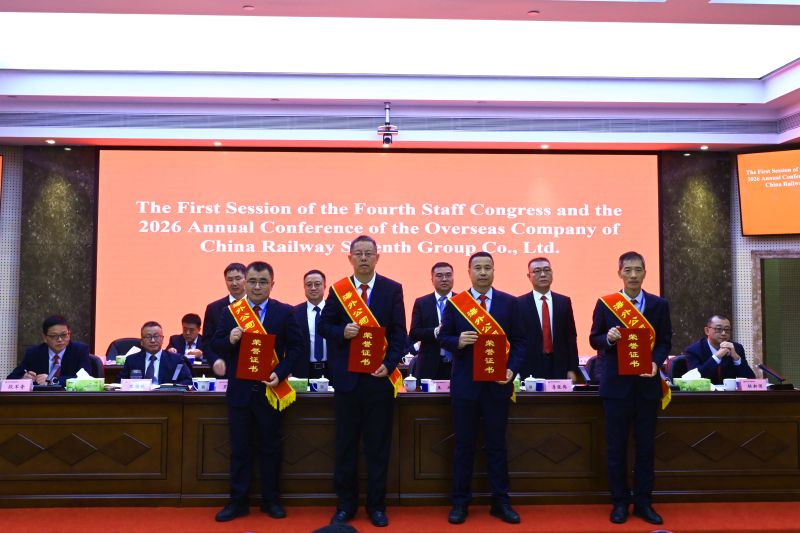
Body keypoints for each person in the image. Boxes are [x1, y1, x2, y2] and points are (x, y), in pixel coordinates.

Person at [319, 235, 406, 528]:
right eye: (359, 253)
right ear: (350, 258)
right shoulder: (339, 290)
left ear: (377, 257)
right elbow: (324, 326)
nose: (364, 258)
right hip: (347, 383)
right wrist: (341, 331)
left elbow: (399, 334)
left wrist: (389, 364)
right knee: (345, 446)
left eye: (369, 253)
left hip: (378, 381)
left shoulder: (392, 289)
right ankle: (346, 506)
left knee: (377, 447)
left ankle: (376, 506)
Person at [439, 251, 526, 525]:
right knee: (464, 445)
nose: (483, 272)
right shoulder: (456, 304)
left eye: (488, 267)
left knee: (497, 445)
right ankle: (460, 502)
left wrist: (511, 370)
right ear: (469, 272)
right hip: (466, 387)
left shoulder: (509, 303)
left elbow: (520, 342)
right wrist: (458, 341)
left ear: (494, 271)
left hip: (497, 386)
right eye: (478, 268)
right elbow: (443, 337)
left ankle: (500, 502)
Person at [211, 261, 301, 522]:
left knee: (270, 448)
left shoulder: (284, 312)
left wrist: (280, 372)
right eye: (252, 281)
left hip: (269, 391)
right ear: (245, 283)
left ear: (272, 284)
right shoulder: (231, 312)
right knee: (239, 449)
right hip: (240, 392)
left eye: (263, 282)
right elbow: (215, 344)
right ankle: (237, 502)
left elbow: (297, 348)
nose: (257, 287)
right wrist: (229, 339)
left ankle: (271, 501)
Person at [589, 251, 672, 526]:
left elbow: (665, 340)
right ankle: (620, 502)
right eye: (628, 270)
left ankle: (644, 503)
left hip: (647, 386)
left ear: (645, 272)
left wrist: (656, 362)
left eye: (638, 270)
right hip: (616, 389)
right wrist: (609, 338)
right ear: (620, 273)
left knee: (645, 448)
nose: (633, 275)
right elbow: (594, 339)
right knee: (616, 448)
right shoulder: (607, 304)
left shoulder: (659, 305)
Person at [517, 257, 579, 381]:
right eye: (537, 271)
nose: (543, 274)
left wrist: (572, 369)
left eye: (546, 270)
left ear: (552, 273)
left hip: (559, 366)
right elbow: (516, 340)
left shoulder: (564, 302)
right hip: (529, 367)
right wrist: (515, 369)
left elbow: (570, 338)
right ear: (529, 276)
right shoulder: (519, 303)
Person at [8, 315, 92, 386]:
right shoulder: (33, 353)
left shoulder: (80, 350)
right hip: (41, 399)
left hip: (70, 399)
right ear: (45, 338)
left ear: (69, 335)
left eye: (64, 335)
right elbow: (10, 379)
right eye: (53, 336)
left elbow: (86, 379)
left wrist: (52, 380)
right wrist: (23, 379)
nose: (59, 339)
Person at [409, 262, 456, 380]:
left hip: (456, 363)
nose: (444, 279)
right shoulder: (422, 302)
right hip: (428, 365)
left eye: (448, 275)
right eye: (439, 275)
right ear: (432, 280)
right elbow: (414, 332)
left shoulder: (463, 302)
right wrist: (434, 332)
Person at [684, 315, 755, 384]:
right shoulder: (693, 350)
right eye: (718, 329)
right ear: (707, 330)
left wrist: (736, 359)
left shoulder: (736, 348)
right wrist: (716, 357)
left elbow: (751, 380)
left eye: (727, 329)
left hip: (730, 392)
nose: (724, 333)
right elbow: (695, 379)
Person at [118, 321, 193, 385]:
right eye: (148, 337)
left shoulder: (176, 360)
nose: (153, 340)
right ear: (142, 342)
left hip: (166, 396)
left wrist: (171, 387)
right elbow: (120, 382)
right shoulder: (131, 360)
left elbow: (187, 380)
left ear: (162, 339)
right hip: (140, 396)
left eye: (156, 336)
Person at [203, 263, 247, 370]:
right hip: (225, 368)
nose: (234, 283)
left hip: (252, 366)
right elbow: (207, 341)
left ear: (246, 279)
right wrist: (215, 361)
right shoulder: (213, 308)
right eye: (230, 280)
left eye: (238, 278)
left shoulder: (258, 306)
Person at [291, 269, 329, 380]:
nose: (313, 288)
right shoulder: (294, 313)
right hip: (302, 371)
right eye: (309, 285)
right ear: (304, 287)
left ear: (324, 286)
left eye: (317, 284)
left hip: (332, 370)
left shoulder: (335, 310)